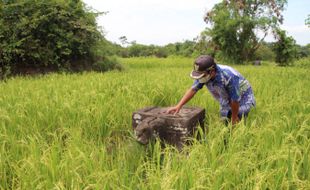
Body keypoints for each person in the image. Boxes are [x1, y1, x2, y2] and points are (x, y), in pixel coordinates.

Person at [167, 55, 256, 126]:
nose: (200, 78)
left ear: (212, 71)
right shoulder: (204, 75)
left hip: (243, 100)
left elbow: (235, 100)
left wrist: (234, 117)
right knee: (225, 120)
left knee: (237, 120)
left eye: (202, 75)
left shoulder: (229, 77)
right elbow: (193, 90)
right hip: (226, 99)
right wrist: (178, 106)